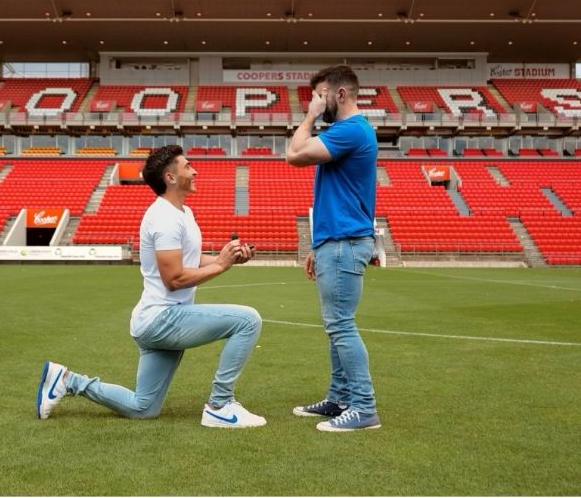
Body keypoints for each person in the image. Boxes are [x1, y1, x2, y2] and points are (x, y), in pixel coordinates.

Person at [36, 144, 266, 428]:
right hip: (163, 319)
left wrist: (225, 258)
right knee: (248, 320)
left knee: (143, 407)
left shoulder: (183, 213)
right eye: (187, 166)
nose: (194, 170)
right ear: (170, 178)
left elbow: (190, 260)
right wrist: (221, 266)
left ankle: (68, 381)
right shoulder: (164, 218)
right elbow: (175, 279)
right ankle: (220, 405)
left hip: (156, 321)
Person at [285, 65, 381, 432]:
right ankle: (340, 397)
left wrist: (309, 116)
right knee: (335, 325)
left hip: (344, 242)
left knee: (340, 324)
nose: (315, 102)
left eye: (320, 94)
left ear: (340, 94)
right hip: (334, 240)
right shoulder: (346, 131)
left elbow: (293, 155)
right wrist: (317, 244)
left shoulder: (350, 130)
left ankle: (364, 407)